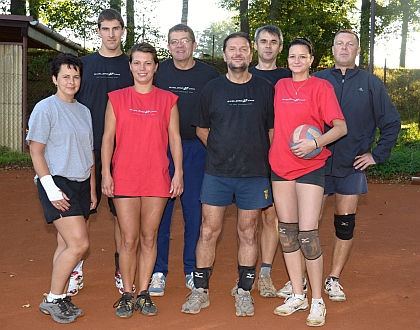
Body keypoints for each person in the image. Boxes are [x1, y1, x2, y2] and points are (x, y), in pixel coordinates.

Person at [181, 32, 274, 317]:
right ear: (224, 56)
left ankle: (244, 290)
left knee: (248, 232)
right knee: (208, 231)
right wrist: (221, 151)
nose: (237, 54)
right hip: (218, 173)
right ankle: (200, 291)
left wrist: (256, 154)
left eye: (243, 49)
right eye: (232, 49)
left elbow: (271, 130)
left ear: (251, 54)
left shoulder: (265, 89)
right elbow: (201, 128)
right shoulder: (211, 89)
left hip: (254, 174)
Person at [312, 29, 400, 302]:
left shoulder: (371, 83)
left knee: (345, 224)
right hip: (317, 165)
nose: (345, 48)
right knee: (308, 225)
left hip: (352, 165)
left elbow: (391, 122)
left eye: (351, 44)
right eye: (340, 43)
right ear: (333, 48)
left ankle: (333, 278)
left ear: (357, 50)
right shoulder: (317, 80)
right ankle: (305, 278)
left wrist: (376, 155)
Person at [101, 43, 184, 318]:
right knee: (128, 239)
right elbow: (107, 139)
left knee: (150, 238)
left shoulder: (168, 100)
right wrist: (105, 173)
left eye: (148, 63)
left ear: (156, 67)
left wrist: (178, 172)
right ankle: (127, 294)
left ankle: (144, 292)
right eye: (137, 63)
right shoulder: (116, 98)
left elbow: (175, 140)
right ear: (130, 66)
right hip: (124, 177)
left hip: (156, 178)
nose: (142, 68)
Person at [269, 37, 347, 327]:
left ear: (311, 59)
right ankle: (298, 294)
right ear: (286, 59)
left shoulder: (321, 87)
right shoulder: (279, 86)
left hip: (310, 166)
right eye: (292, 56)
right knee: (287, 233)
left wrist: (315, 142)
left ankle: (317, 300)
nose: (297, 61)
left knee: (307, 234)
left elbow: (340, 127)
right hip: (281, 166)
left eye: (303, 56)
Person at [148, 24, 219, 296]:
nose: (180, 46)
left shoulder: (210, 75)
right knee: (160, 215)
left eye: (185, 41)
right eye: (174, 41)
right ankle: (158, 271)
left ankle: (191, 269)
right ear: (168, 46)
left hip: (197, 150)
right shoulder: (159, 71)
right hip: (161, 150)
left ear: (194, 44)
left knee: (194, 215)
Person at [27, 53, 96, 324]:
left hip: (80, 183)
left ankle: (60, 294)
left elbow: (87, 152)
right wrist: (51, 189)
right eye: (65, 76)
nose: (71, 81)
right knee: (79, 243)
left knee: (65, 243)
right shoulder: (45, 108)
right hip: (57, 183)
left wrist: (91, 188)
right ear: (54, 79)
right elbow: (36, 151)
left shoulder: (84, 110)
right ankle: (53, 299)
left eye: (76, 76)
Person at [74, 8, 134, 296]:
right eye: (105, 28)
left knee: (120, 214)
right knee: (81, 211)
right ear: (98, 31)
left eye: (116, 28)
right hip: (86, 151)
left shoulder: (133, 65)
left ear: (123, 30)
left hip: (124, 151)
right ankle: (75, 269)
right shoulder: (83, 65)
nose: (111, 34)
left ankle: (122, 268)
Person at [246, 24, 292, 298]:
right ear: (255, 45)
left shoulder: (289, 77)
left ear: (280, 47)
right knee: (248, 217)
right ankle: (246, 275)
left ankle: (264, 274)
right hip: (249, 157)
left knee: (272, 217)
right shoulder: (242, 74)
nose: (267, 46)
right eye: (262, 41)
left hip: (282, 158)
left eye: (273, 41)